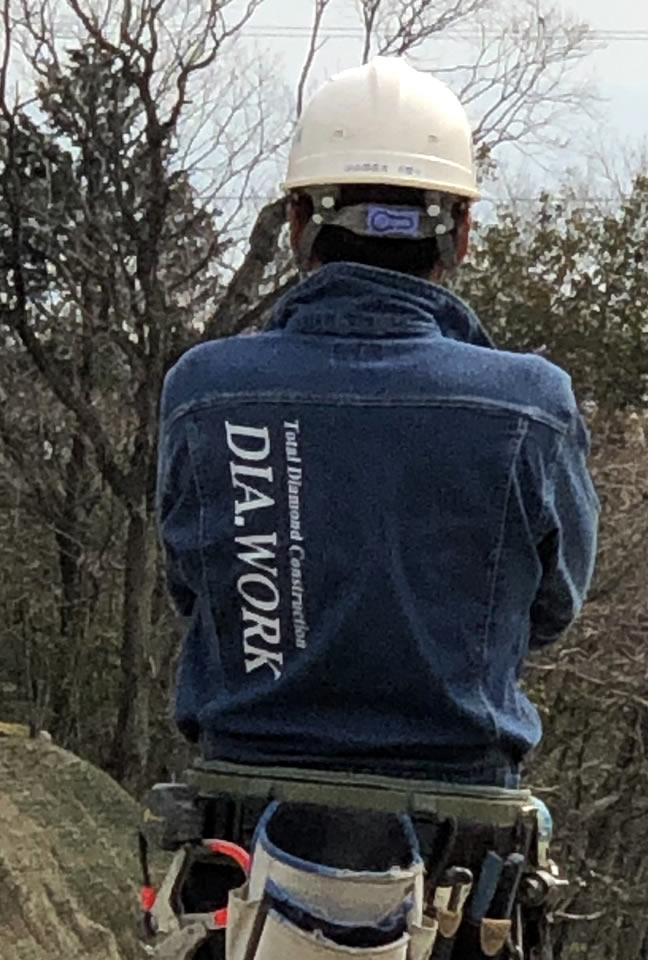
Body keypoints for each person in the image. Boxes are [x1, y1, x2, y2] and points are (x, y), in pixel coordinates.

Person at [155, 56, 599, 791]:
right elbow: (552, 607)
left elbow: (193, 586)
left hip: (242, 802)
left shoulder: (208, 389)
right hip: (462, 814)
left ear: (299, 222)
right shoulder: (531, 407)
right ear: (461, 232)